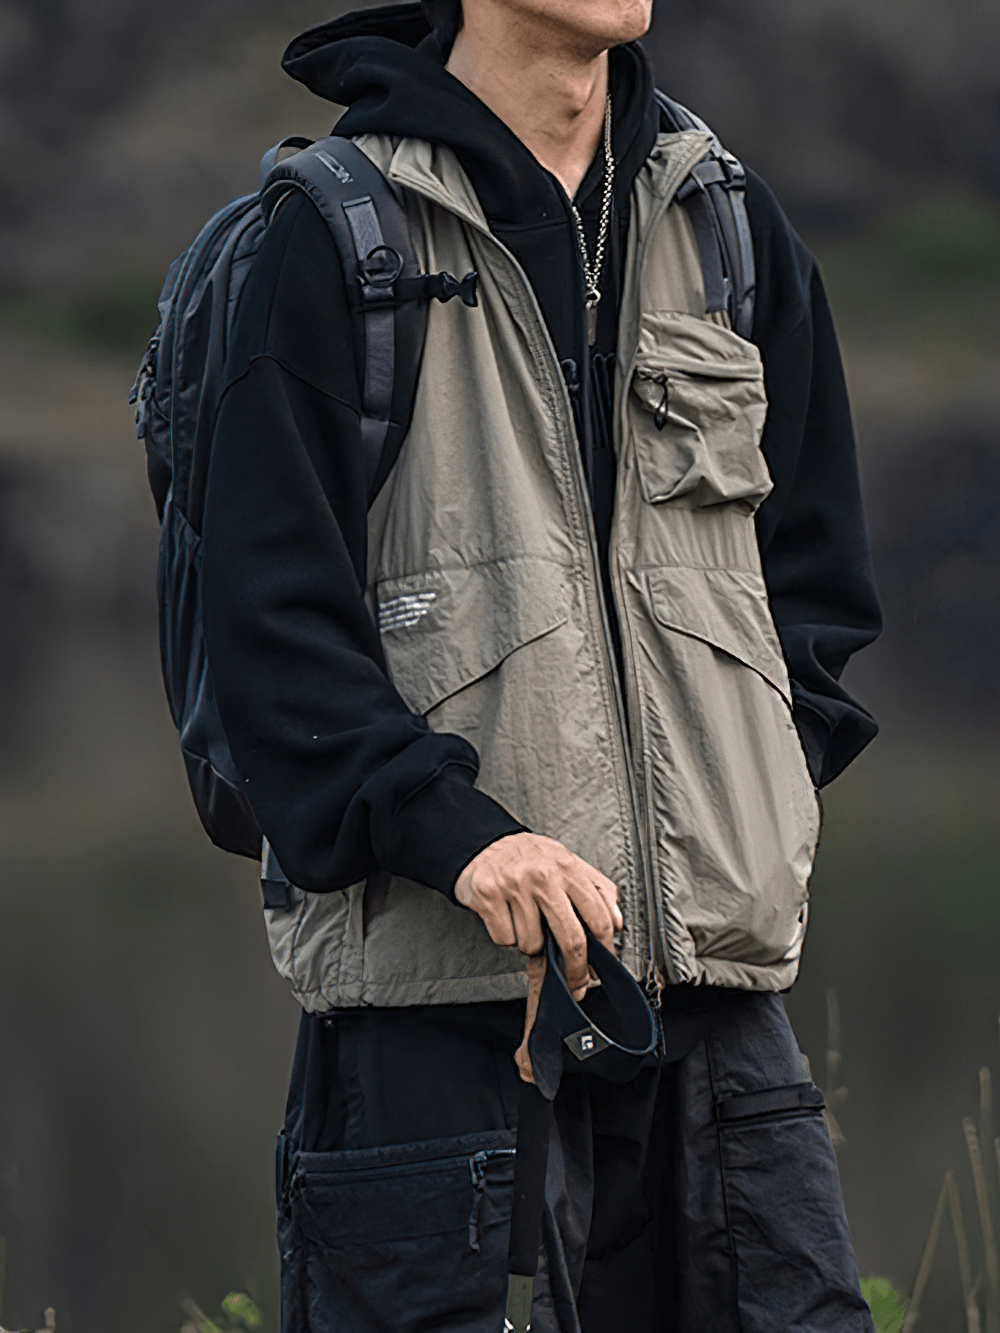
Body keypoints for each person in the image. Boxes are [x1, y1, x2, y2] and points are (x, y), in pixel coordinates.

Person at [199, 0, 883, 1326]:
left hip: (714, 1010)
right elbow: (269, 630)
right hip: (436, 1011)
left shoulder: (725, 225)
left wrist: (756, 796)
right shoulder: (330, 238)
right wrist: (456, 835)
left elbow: (817, 584)